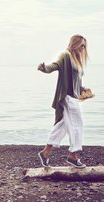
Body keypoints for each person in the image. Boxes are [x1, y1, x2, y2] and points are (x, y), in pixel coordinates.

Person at [37, 34, 89, 169]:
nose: (83, 48)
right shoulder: (65, 55)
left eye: (84, 46)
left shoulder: (77, 60)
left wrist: (82, 89)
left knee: (63, 124)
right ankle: (73, 156)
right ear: (74, 43)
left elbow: (76, 79)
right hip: (67, 96)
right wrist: (44, 68)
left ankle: (45, 152)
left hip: (74, 96)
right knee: (77, 124)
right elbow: (54, 66)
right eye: (81, 45)